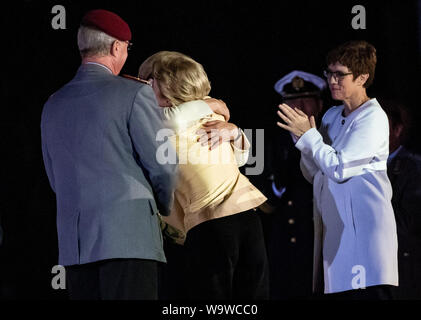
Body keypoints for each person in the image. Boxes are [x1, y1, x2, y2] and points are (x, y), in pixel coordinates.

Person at [40, 9, 178, 300]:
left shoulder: (53, 103)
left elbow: (55, 179)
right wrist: (163, 209)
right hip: (129, 241)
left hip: (76, 249)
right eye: (127, 48)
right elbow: (164, 165)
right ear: (117, 47)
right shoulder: (135, 94)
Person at [138, 51, 269, 300]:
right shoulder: (197, 112)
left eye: (147, 81)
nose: (143, 88)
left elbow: (240, 158)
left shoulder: (184, 116)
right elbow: (174, 120)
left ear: (162, 84)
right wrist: (215, 105)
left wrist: (236, 132)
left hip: (218, 222)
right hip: (241, 218)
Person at [277, 40, 398, 299]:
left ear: (363, 77)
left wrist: (310, 136)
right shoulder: (332, 115)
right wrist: (303, 141)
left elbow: (340, 168)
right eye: (329, 73)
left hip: (363, 231)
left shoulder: (373, 117)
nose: (332, 80)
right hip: (337, 229)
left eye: (340, 74)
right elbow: (314, 173)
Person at [258, 71, 327, 299]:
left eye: (306, 100)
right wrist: (278, 184)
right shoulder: (267, 141)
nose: (299, 107)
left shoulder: (328, 138)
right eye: (292, 102)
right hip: (282, 233)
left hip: (319, 232)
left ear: (318, 104)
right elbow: (259, 193)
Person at [381, 99, 421, 299]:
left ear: (397, 130)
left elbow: (409, 224)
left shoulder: (413, 168)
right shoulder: (360, 167)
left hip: (402, 276)